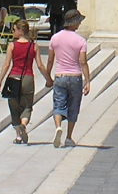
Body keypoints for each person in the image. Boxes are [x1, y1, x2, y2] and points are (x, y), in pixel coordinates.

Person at [0, 18, 52, 144]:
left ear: (20, 31)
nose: (13, 31)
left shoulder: (12, 45)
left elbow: (6, 65)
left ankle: (18, 135)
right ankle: (23, 124)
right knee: (27, 106)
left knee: (13, 106)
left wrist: (0, 80)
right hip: (28, 78)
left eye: (15, 29)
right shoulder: (34, 46)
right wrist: (48, 79)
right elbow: (40, 65)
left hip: (13, 77)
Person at [44, 9, 91, 148]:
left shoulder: (55, 38)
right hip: (75, 76)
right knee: (73, 106)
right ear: (74, 22)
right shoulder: (81, 41)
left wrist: (48, 77)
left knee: (58, 104)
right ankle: (69, 137)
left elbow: (50, 60)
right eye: (79, 21)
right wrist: (87, 81)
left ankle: (58, 126)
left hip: (60, 76)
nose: (80, 24)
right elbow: (83, 62)